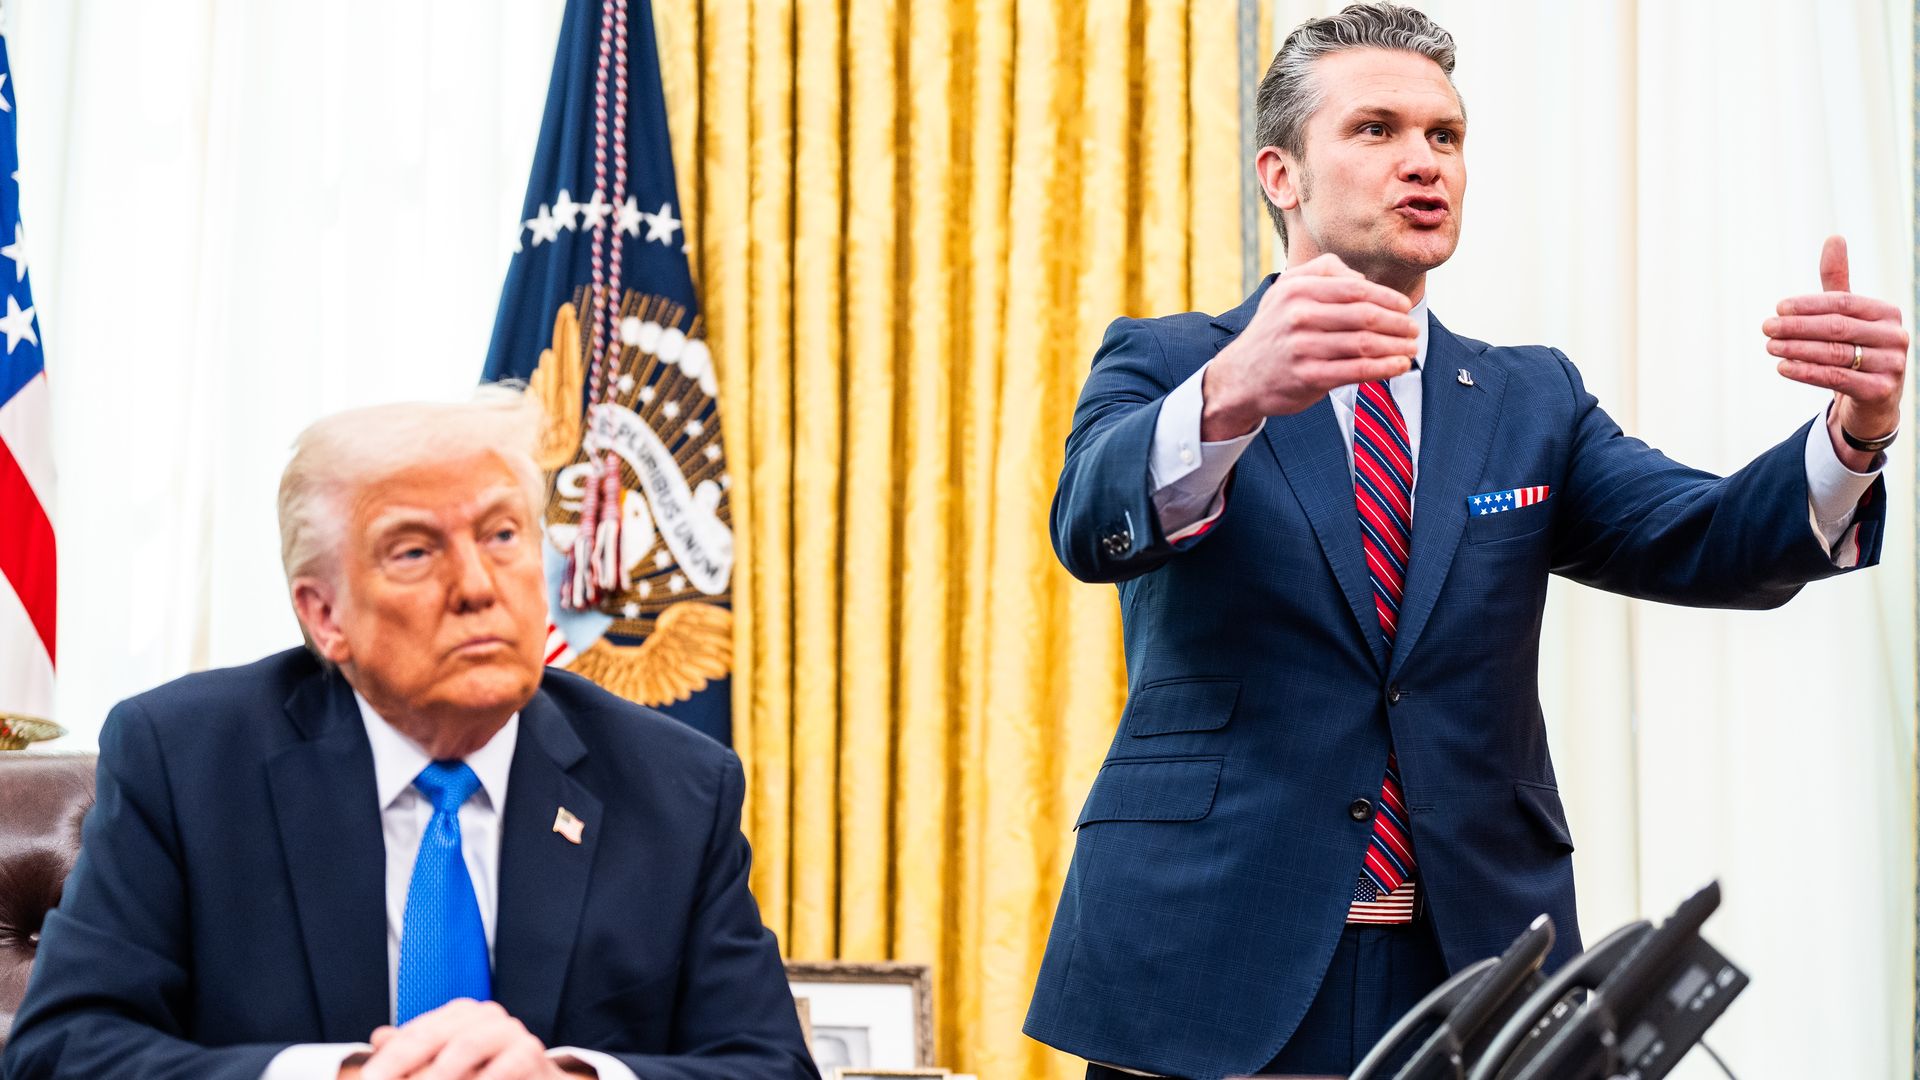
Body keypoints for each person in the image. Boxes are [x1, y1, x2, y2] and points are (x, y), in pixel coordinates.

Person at [1023, 4, 1905, 1078]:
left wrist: (1853, 433)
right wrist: (1228, 398)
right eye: (1377, 130)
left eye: (1444, 136)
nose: (1422, 162)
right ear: (1280, 175)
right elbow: (1088, 524)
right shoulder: (1171, 361)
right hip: (1211, 955)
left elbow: (1706, 537)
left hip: (1474, 962)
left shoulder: (1529, 397)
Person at [1, 392, 818, 1080]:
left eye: (503, 535)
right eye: (415, 550)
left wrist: (572, 1079)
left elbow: (770, 1066)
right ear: (325, 615)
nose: (476, 586)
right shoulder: (185, 758)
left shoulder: (675, 786)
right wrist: (343, 1076)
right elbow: (61, 1049)